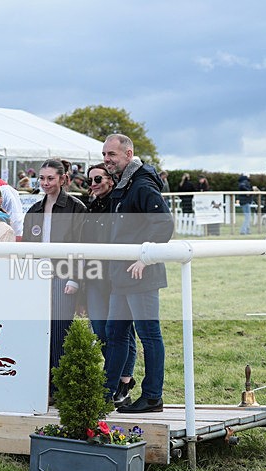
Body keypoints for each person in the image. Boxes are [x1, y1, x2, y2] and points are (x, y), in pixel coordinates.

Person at [101, 134, 173, 413]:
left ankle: (153, 396)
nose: (107, 159)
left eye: (112, 155)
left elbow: (164, 225)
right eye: (105, 154)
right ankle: (106, 393)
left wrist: (146, 257)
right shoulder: (125, 183)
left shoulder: (142, 184)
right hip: (122, 274)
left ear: (128, 155)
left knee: (148, 334)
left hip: (141, 275)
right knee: (115, 332)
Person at [23, 159, 87, 378]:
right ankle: (41, 381)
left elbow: (81, 247)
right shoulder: (34, 209)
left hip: (63, 275)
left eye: (50, 178)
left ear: (62, 179)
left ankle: (59, 383)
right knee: (39, 330)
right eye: (42, 178)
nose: (45, 183)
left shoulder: (76, 208)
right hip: (38, 278)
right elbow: (28, 248)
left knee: (60, 331)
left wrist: (75, 278)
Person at [81, 163, 138, 406]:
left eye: (98, 179)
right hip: (94, 276)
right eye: (90, 180)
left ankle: (121, 382)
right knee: (101, 330)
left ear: (110, 181)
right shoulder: (90, 208)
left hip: (115, 275)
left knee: (121, 331)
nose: (94, 184)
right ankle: (119, 381)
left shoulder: (118, 205)